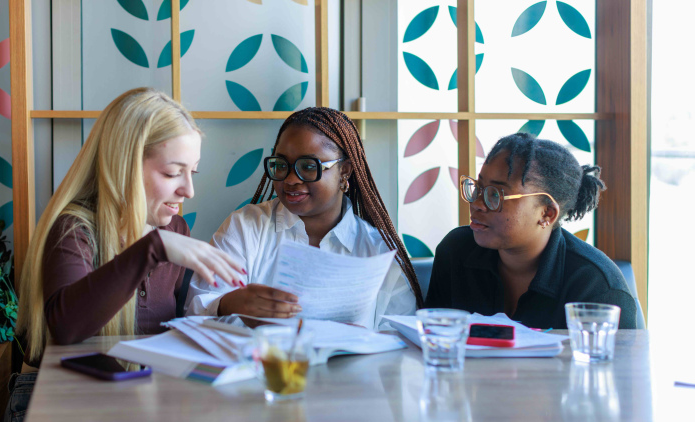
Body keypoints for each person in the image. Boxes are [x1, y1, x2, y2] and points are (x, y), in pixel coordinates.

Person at [16, 87, 245, 366]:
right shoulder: (74, 230)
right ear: (125, 166)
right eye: (172, 173)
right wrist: (151, 250)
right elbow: (65, 328)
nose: (189, 190)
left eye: (192, 171)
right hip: (75, 402)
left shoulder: (176, 230)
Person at [186, 107, 423, 329]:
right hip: (261, 371)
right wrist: (228, 304)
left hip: (353, 373)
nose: (290, 179)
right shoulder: (246, 227)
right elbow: (194, 311)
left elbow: (400, 334)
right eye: (281, 165)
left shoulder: (377, 250)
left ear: (345, 171)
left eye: (308, 166)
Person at [424, 132, 637, 329]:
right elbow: (430, 342)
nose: (477, 203)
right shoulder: (456, 251)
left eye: (496, 194)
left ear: (547, 214)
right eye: (478, 188)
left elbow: (611, 368)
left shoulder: (598, 289)